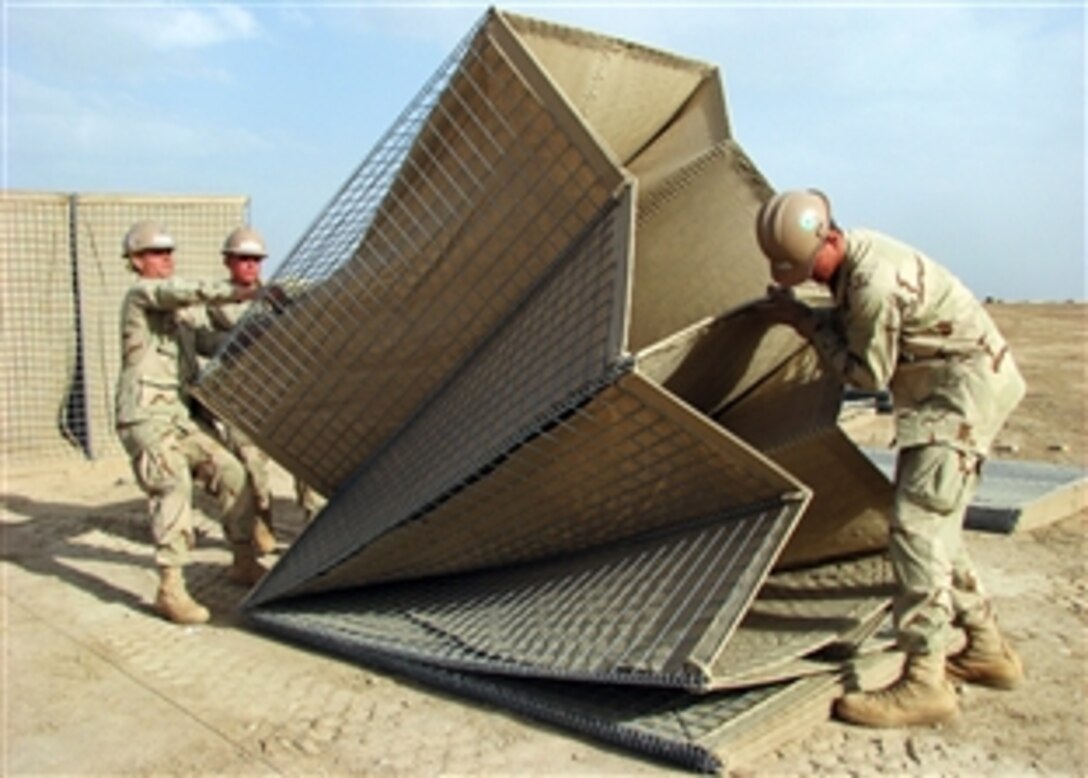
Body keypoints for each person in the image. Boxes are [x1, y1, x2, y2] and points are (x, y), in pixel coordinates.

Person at [754, 190, 1026, 728]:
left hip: (958, 397)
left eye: (809, 266)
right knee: (937, 527)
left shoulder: (872, 284)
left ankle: (925, 682)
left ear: (830, 236)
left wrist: (807, 325)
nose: (807, 278)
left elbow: (866, 375)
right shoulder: (856, 260)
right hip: (950, 390)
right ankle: (988, 650)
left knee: (916, 530)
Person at [115, 220, 268, 625]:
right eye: (156, 253)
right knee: (173, 483)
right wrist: (242, 291)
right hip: (145, 417)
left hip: (180, 417)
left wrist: (261, 329)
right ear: (135, 261)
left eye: (168, 253)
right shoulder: (141, 296)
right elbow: (177, 291)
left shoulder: (180, 318)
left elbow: (210, 344)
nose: (166, 260)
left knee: (233, 471)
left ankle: (243, 560)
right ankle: (170, 587)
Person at [204, 226, 278, 554]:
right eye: (243, 259)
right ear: (228, 262)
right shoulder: (216, 299)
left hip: (276, 393)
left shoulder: (273, 295)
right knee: (252, 470)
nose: (251, 266)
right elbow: (233, 331)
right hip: (240, 397)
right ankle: (261, 529)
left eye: (256, 260)